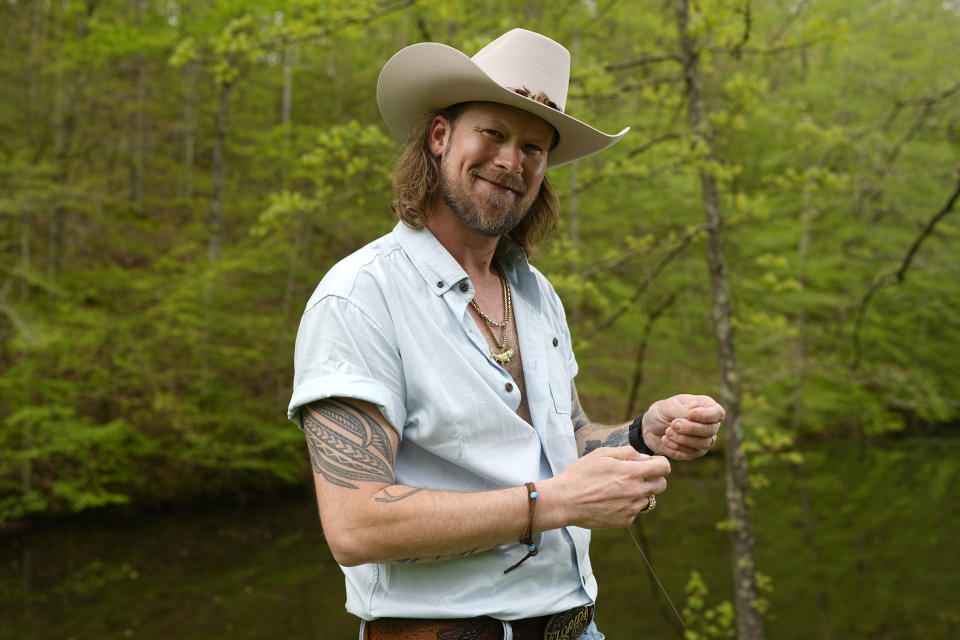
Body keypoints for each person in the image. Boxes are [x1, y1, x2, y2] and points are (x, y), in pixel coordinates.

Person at [288, 28, 724, 640]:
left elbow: (563, 441)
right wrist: (557, 504)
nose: (511, 161)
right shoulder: (360, 297)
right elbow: (355, 526)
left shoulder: (536, 294)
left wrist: (640, 435)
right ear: (441, 137)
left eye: (534, 147)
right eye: (492, 134)